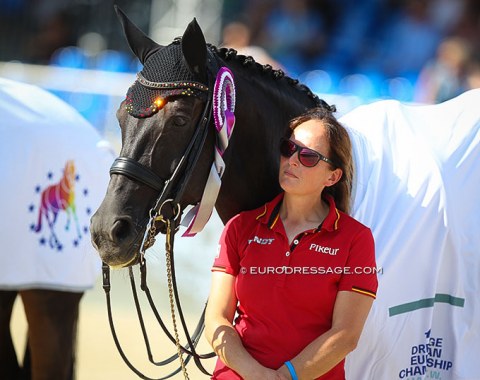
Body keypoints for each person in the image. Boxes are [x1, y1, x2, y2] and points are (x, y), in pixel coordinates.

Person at [205, 107, 378, 379]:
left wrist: (284, 377)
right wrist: (257, 375)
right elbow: (216, 319)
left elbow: (345, 335)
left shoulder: (356, 239)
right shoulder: (239, 227)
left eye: (308, 156)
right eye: (289, 148)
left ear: (332, 177)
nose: (292, 160)